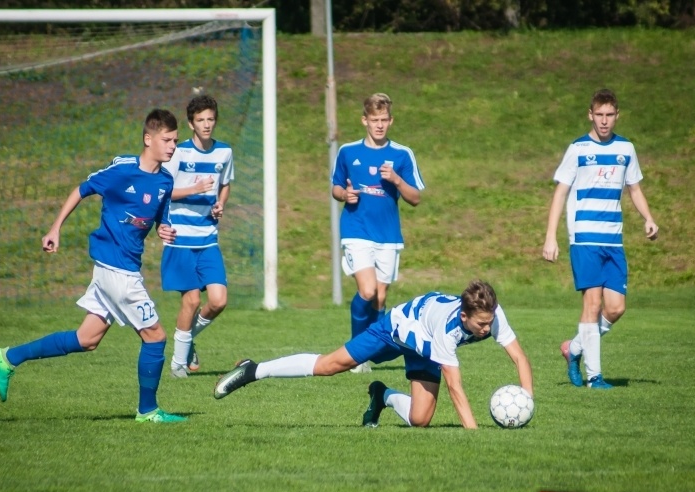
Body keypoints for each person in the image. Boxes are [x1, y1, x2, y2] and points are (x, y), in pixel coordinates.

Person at [0, 109, 186, 423]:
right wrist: (55, 228)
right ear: (149, 139)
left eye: (175, 140)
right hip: (117, 270)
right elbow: (83, 189)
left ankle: (8, 357)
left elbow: (160, 214)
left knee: (87, 340)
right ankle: (148, 411)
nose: (173, 146)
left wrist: (164, 229)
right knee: (156, 337)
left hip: (120, 269)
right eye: (167, 140)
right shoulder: (122, 170)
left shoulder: (165, 180)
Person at [214, 280, 534, 430]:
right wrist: (474, 435)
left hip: (423, 347)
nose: (486, 328)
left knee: (420, 420)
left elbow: (519, 357)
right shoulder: (448, 330)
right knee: (331, 365)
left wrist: (526, 404)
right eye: (481, 324)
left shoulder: (492, 315)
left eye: (489, 322)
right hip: (396, 329)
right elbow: (455, 388)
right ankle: (254, 369)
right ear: (465, 317)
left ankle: (381, 396)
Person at [543, 88, 659, 389]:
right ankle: (595, 377)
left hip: (614, 239)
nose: (604, 121)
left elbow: (634, 188)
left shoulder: (626, 149)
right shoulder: (578, 149)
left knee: (616, 308)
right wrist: (550, 237)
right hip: (584, 238)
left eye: (610, 115)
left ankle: (575, 349)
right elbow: (560, 193)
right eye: (599, 115)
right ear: (590, 115)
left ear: (617, 116)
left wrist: (648, 218)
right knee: (592, 305)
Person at [331, 93, 425, 373]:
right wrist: (344, 195)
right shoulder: (348, 151)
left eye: (384, 120)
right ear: (364, 121)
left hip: (388, 235)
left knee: (380, 298)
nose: (379, 125)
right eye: (374, 120)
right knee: (367, 289)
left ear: (391, 121)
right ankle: (355, 353)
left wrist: (396, 179)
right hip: (356, 230)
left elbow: (415, 198)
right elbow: (336, 187)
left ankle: (368, 351)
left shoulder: (402, 154)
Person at [160, 95, 234, 378]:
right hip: (180, 239)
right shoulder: (179, 153)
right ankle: (178, 365)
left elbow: (225, 185)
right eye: (200, 120)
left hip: (208, 239)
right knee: (190, 302)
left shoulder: (224, 152)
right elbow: (163, 190)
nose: (206, 125)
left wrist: (220, 204)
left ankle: (187, 339)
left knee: (218, 301)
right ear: (191, 123)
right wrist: (194, 189)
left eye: (211, 119)